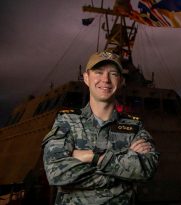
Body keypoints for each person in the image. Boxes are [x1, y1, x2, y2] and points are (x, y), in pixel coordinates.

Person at [42, 50, 159, 204]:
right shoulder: (67, 121)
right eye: (98, 72)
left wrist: (90, 157)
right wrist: (123, 177)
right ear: (86, 78)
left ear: (121, 81)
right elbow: (55, 172)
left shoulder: (134, 127)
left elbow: (146, 169)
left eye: (113, 74)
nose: (105, 79)